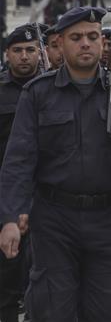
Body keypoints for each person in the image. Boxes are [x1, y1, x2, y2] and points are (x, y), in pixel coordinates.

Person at [0, 6, 111, 321]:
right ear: (59, 43)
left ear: (102, 43)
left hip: (109, 217)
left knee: (109, 308)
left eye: (92, 36)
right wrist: (9, 219)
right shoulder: (38, 93)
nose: (85, 43)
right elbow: (19, 161)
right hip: (54, 219)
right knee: (53, 308)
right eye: (76, 37)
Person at [0, 25, 43, 322]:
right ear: (7, 55)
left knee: (42, 279)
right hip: (5, 194)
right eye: (17, 50)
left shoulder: (52, 90)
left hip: (46, 196)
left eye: (30, 50)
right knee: (6, 275)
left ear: (39, 53)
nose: (24, 56)